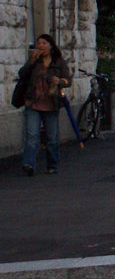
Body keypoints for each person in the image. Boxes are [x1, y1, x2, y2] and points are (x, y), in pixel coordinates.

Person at [20, 34, 71, 176]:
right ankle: (28, 164)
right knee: (32, 135)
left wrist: (60, 81)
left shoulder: (58, 62)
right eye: (39, 44)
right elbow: (22, 74)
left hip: (51, 103)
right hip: (33, 102)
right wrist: (31, 61)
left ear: (50, 45)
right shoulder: (35, 62)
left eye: (44, 43)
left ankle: (52, 165)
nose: (41, 46)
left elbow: (68, 80)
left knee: (51, 138)